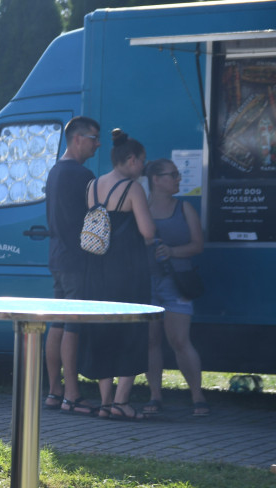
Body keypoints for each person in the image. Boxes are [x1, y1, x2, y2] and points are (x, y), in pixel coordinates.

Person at [78, 129, 156, 420]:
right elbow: (147, 232)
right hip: (127, 269)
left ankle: (105, 401)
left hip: (96, 268)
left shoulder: (92, 186)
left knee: (103, 329)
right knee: (130, 330)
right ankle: (121, 402)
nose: (143, 167)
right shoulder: (132, 188)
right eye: (142, 161)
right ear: (132, 159)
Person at [44, 116, 102, 415]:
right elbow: (96, 218)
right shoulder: (82, 175)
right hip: (77, 259)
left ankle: (54, 392)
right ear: (77, 139)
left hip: (57, 257)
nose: (98, 144)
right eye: (94, 138)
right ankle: (72, 395)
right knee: (72, 325)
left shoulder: (54, 171)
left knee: (57, 324)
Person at [143, 158, 208, 417]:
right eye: (173, 175)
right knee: (151, 341)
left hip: (177, 282)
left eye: (178, 174)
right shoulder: (141, 208)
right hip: (148, 282)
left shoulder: (184, 208)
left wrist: (171, 251)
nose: (179, 179)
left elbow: (198, 245)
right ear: (156, 180)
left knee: (179, 340)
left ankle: (198, 396)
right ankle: (155, 396)